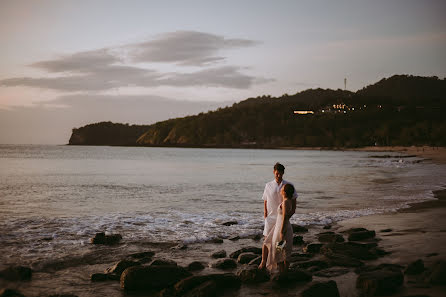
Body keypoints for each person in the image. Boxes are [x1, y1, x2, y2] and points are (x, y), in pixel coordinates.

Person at [258, 162, 297, 270]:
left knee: (280, 242)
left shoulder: (288, 186)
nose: (278, 176)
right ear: (274, 172)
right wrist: (265, 213)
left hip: (281, 219)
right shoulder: (268, 185)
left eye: (280, 174)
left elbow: (293, 202)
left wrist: (288, 216)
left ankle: (280, 263)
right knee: (267, 240)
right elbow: (265, 200)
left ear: (283, 173)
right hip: (270, 218)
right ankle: (263, 261)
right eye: (277, 174)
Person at [264, 183, 295, 272]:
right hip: (283, 227)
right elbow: (288, 215)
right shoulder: (288, 201)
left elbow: (285, 217)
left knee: (279, 250)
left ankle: (283, 271)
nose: (281, 190)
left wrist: (281, 231)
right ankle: (283, 270)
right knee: (282, 250)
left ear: (285, 192)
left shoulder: (285, 202)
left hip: (283, 229)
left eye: (283, 189)